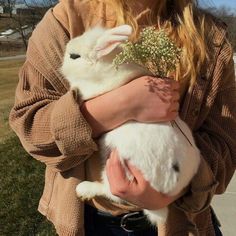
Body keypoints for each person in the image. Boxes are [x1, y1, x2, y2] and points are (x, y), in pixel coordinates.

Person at [9, 0, 236, 235]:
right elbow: (31, 125)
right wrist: (122, 105)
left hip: (181, 223)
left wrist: (173, 188)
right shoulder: (66, 19)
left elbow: (225, 142)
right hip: (93, 221)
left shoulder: (209, 37)